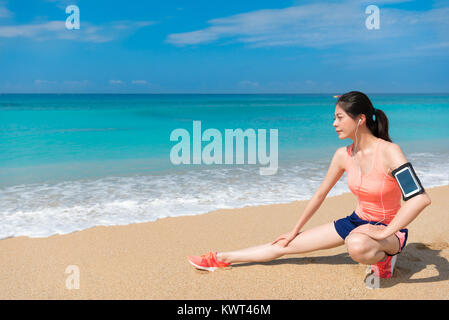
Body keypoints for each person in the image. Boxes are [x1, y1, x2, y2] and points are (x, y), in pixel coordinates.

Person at [187, 91, 432, 279]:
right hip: (356, 222)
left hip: (390, 230)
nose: (333, 123)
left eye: (339, 117)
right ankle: (220, 258)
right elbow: (320, 194)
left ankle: (385, 258)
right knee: (283, 246)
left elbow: (419, 198)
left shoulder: (390, 152)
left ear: (360, 119)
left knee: (356, 244)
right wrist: (295, 230)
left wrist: (384, 232)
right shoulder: (342, 155)